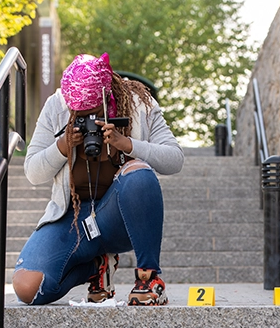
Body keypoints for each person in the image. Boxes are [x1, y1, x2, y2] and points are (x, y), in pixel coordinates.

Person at [12, 53, 184, 306]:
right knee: (28, 289)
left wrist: (128, 145)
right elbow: (33, 172)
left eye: (92, 113)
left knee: (138, 173)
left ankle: (149, 279)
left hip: (119, 221)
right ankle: (97, 267)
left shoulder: (139, 104)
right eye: (77, 114)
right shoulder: (56, 106)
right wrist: (61, 146)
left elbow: (175, 159)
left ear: (107, 98)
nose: (86, 119)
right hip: (72, 219)